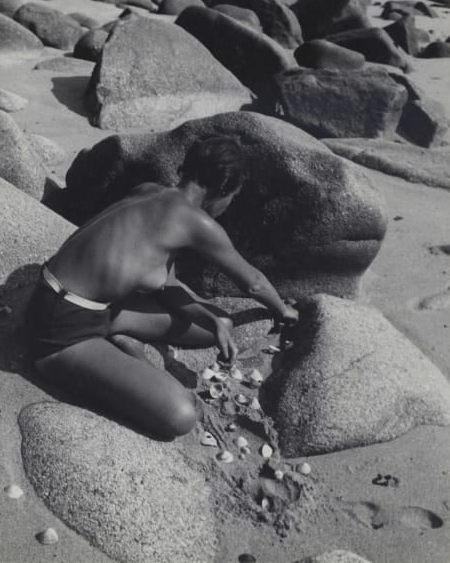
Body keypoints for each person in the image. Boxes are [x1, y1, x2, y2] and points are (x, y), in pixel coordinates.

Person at [26, 135, 298, 439]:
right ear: (223, 190)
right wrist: (283, 310)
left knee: (217, 325)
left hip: (95, 307)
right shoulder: (198, 224)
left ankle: (119, 340)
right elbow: (254, 283)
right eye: (233, 196)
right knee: (180, 416)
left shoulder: (149, 191)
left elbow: (165, 284)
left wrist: (213, 321)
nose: (229, 205)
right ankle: (98, 361)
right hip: (58, 332)